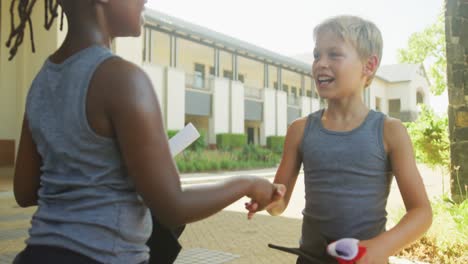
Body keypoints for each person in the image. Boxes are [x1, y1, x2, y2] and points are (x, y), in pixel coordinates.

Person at [9, 1, 285, 263]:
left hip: (38, 254)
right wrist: (248, 184)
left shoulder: (42, 82)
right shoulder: (123, 79)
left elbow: (25, 190)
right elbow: (173, 206)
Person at [246, 15, 432, 264]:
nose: (320, 64)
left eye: (334, 54)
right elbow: (279, 206)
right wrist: (268, 199)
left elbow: (422, 212)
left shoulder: (390, 131)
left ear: (369, 65)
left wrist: (378, 248)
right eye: (316, 55)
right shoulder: (300, 130)